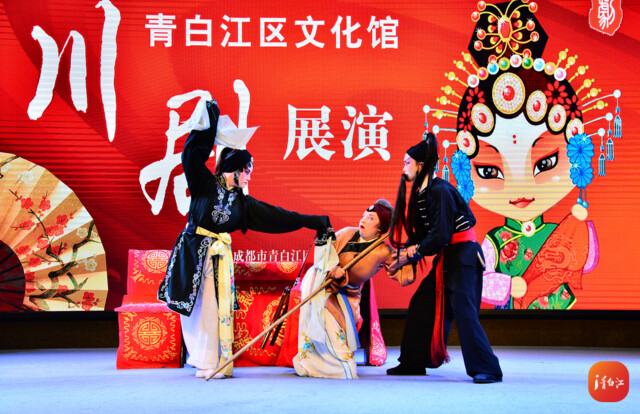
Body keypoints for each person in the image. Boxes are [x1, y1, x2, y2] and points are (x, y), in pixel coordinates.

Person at [157, 100, 332, 379]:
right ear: (235, 169)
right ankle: (202, 360)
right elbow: (191, 155)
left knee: (215, 307)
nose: (249, 176)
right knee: (196, 307)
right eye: (247, 170)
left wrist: (312, 221)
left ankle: (216, 360)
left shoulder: (242, 204)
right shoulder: (204, 184)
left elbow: (277, 215)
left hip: (218, 259)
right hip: (193, 252)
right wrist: (209, 121)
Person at [386, 132, 503, 384]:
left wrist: (412, 254)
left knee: (464, 312)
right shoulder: (421, 192)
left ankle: (488, 368)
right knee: (421, 303)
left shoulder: (439, 190)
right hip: (447, 257)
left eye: (407, 162)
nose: (403, 167)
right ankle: (413, 362)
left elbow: (440, 235)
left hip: (463, 256)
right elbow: (422, 235)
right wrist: (399, 254)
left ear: (420, 165)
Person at [294, 199, 413, 379]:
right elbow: (325, 254)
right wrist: (333, 268)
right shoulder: (348, 233)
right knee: (321, 310)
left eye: (370, 218)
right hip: (323, 284)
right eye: (364, 216)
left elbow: (404, 274)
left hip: (348, 296)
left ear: (380, 228)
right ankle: (315, 363)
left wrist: (412, 253)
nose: (363, 220)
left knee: (337, 334)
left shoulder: (383, 251)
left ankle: (336, 365)